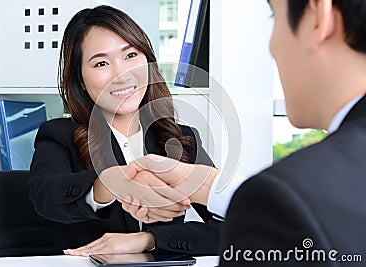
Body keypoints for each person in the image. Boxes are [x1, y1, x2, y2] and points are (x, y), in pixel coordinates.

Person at [118, 0, 366, 265]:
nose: (272, 48)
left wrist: (263, 199)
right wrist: (208, 186)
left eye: (274, 16)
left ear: (318, 17)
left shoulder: (291, 197)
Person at [29, 5, 221, 256]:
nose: (121, 75)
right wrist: (110, 183)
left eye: (130, 56)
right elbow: (46, 197)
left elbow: (236, 226)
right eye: (100, 63)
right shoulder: (58, 136)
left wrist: (150, 239)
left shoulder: (182, 140)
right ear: (81, 82)